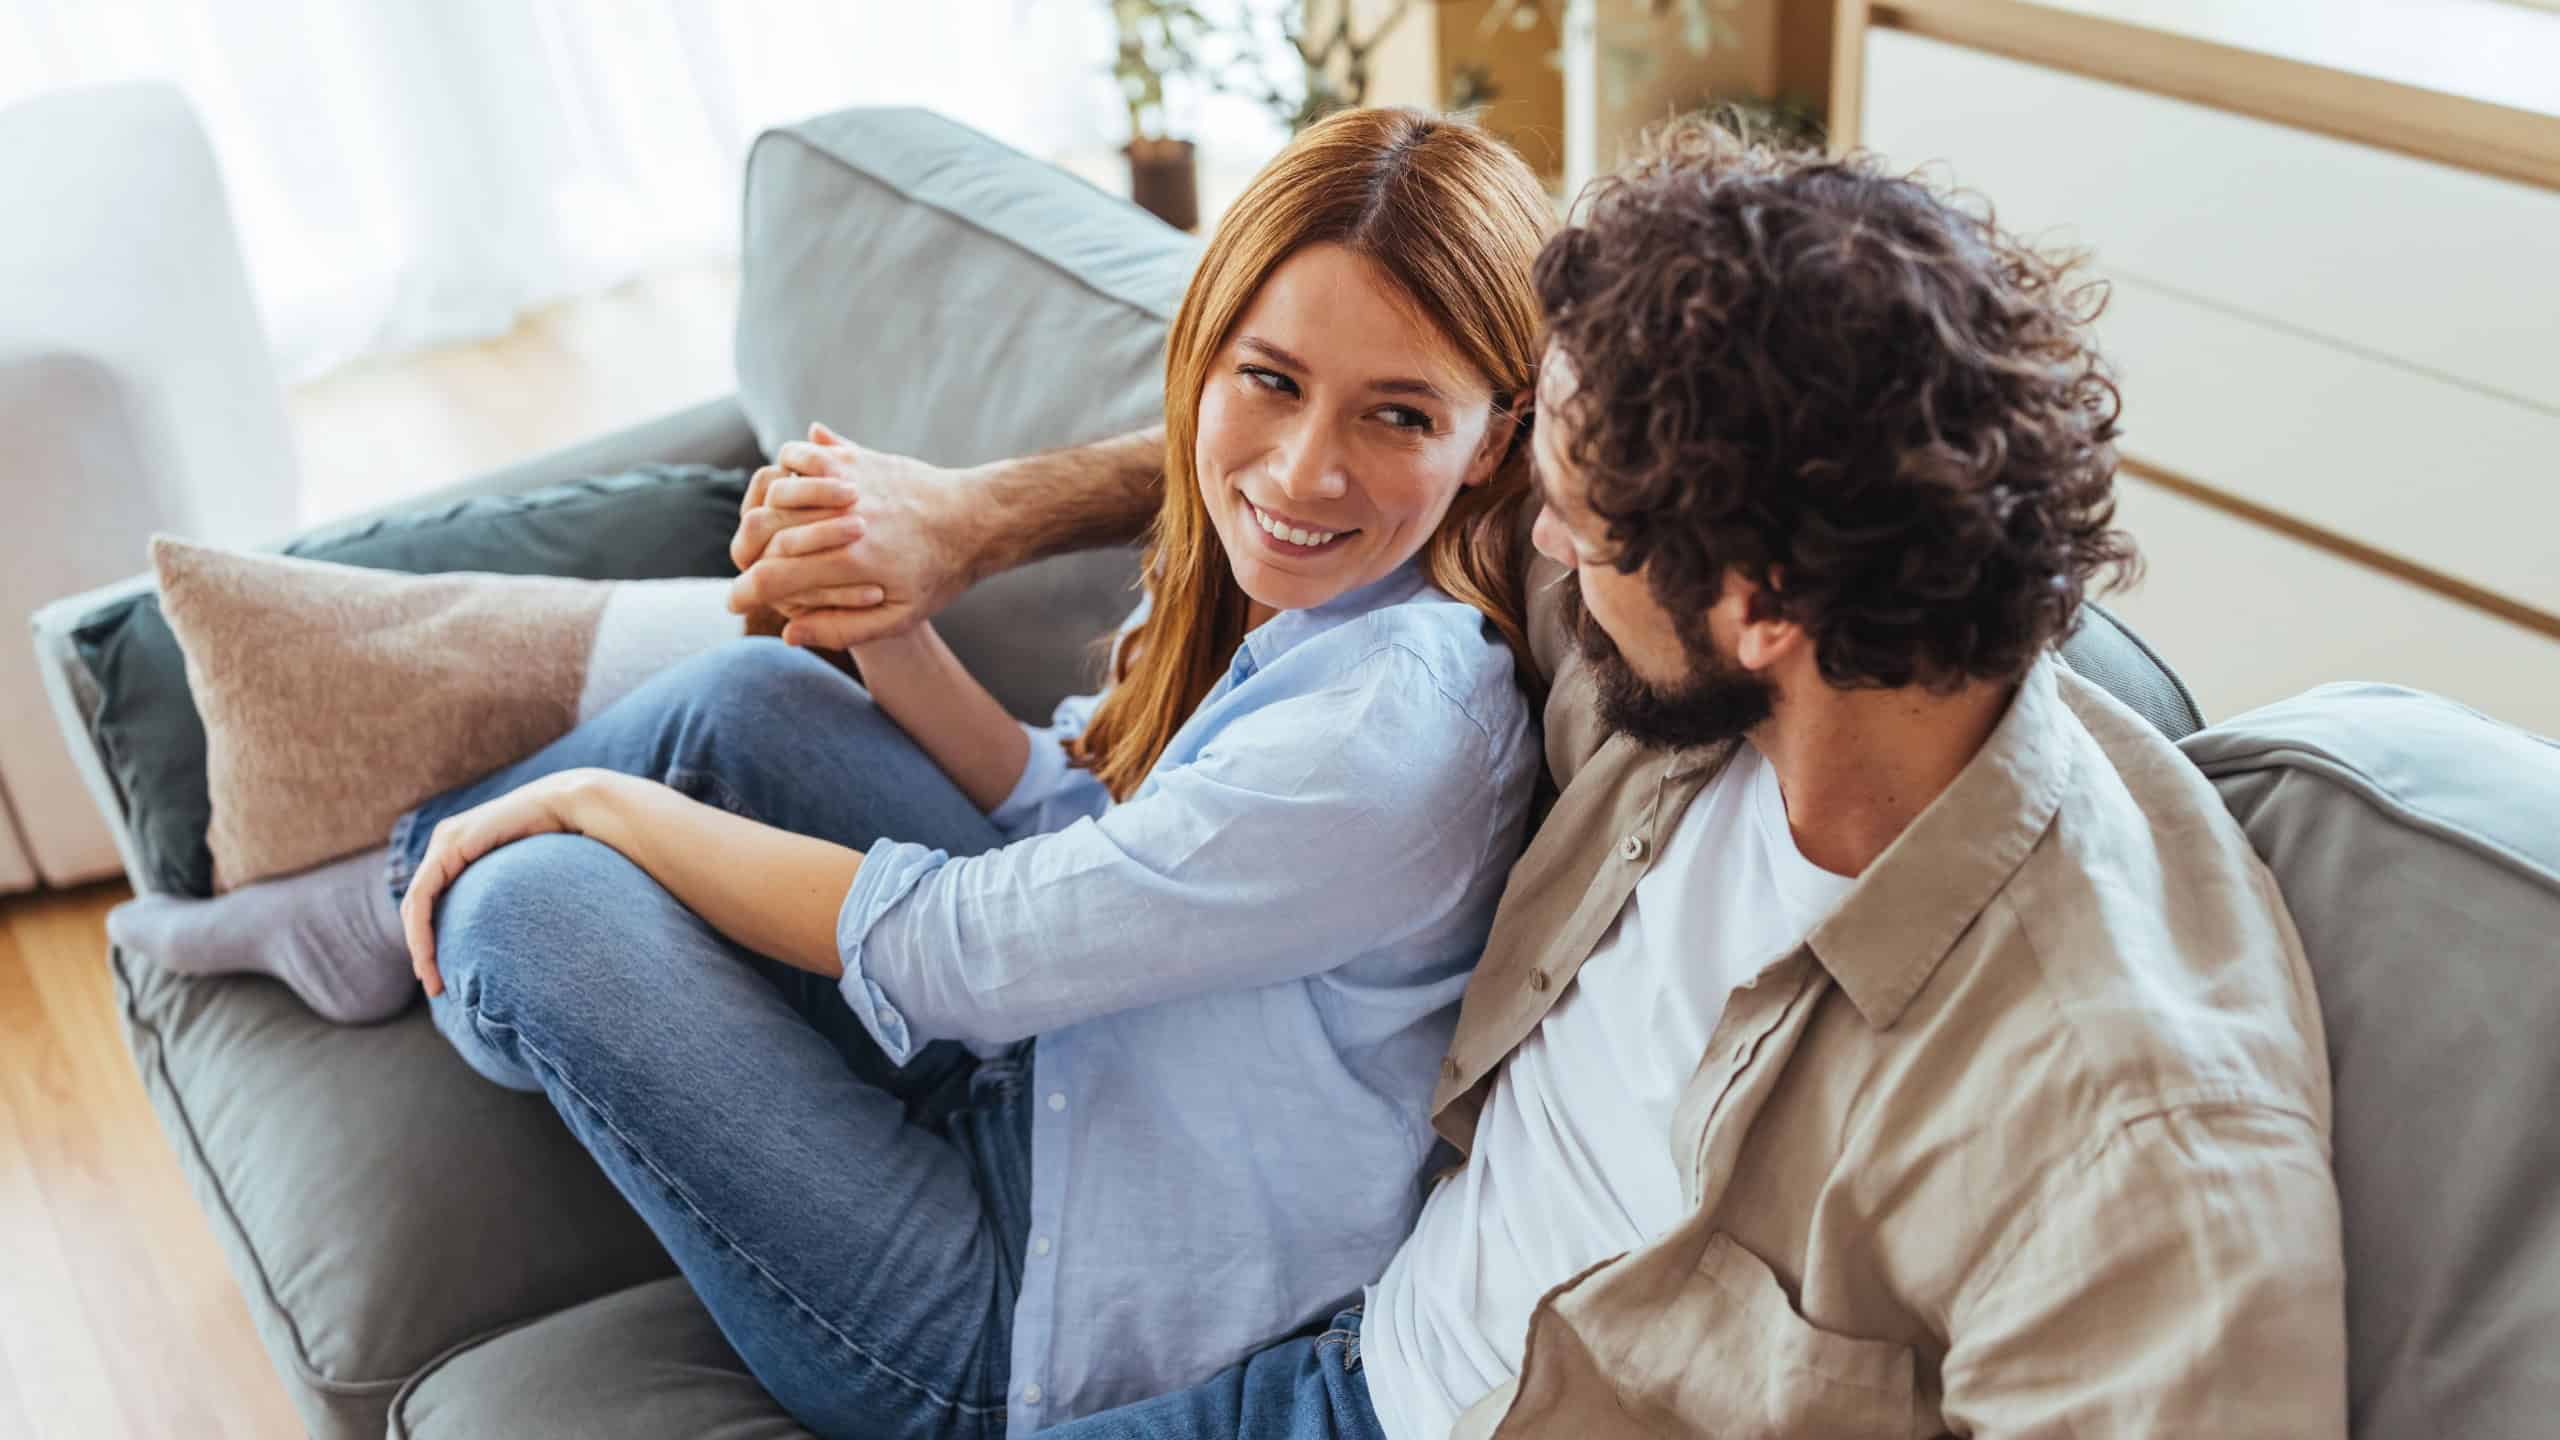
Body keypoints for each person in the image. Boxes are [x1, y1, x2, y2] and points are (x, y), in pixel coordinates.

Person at [742, 118, 2351, 1437]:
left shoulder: (2125, 1126)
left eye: (1572, 511)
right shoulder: (1715, 673)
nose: (1539, 548)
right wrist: (974, 518)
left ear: (1762, 604)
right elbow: (1333, 457)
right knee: (736, 712)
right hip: (1343, 1351)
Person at [115, 108, 1554, 1440]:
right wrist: (896, 636)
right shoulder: (1318, 603)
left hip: (1027, 1319)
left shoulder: (1387, 733)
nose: (1304, 471)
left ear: (1493, 443)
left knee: (529, 907)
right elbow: (1069, 818)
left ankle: (432, 927)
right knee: (753, 696)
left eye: (1399, 416)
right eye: (1274, 381)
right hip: (1062, 1075)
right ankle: (370, 907)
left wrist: (603, 806)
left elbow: (965, 953)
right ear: (1207, 355)